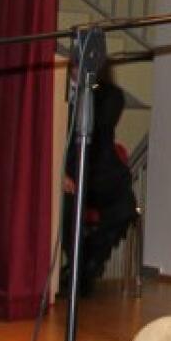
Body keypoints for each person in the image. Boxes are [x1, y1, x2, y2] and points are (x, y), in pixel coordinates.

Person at [61, 59, 137, 297]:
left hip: (100, 172)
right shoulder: (57, 91)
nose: (79, 70)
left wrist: (87, 90)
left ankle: (86, 264)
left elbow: (100, 126)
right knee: (66, 206)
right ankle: (81, 269)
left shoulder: (110, 95)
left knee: (125, 206)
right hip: (69, 171)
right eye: (76, 65)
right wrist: (60, 171)